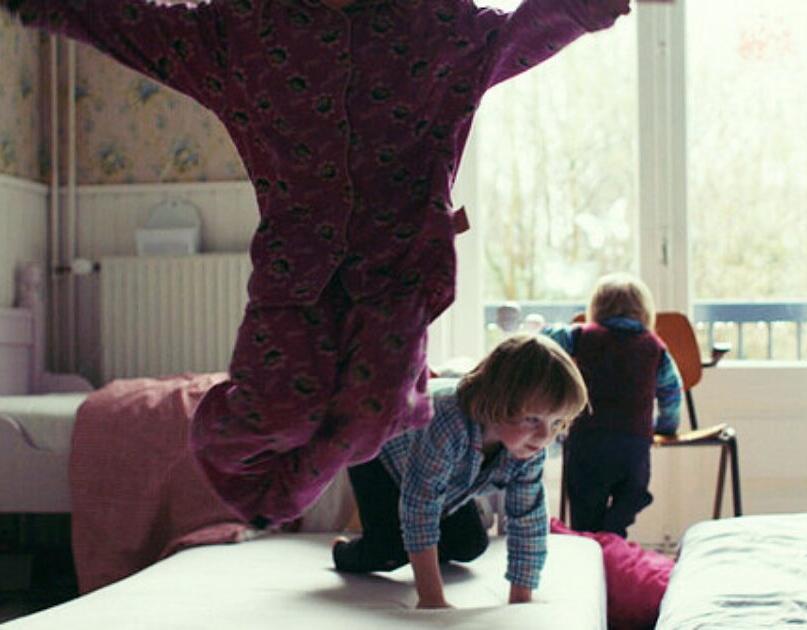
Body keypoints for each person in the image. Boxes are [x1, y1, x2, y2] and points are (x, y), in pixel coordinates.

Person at [0, 0, 632, 528]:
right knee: (281, 413)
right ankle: (267, 499)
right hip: (295, 276)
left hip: (399, 278)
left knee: (374, 418)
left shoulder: (440, 27)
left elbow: (531, 26)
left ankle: (304, 485)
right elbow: (134, 26)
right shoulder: (245, 32)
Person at [332, 333, 588, 608]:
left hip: (441, 478)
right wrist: (432, 598)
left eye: (557, 422)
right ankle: (342, 551)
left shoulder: (529, 446)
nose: (545, 436)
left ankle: (425, 549)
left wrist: (520, 600)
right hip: (378, 456)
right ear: (498, 401)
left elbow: (528, 519)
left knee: (471, 545)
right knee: (389, 549)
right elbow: (420, 508)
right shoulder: (445, 421)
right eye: (533, 419)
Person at [542, 272, 682, 537]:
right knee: (632, 492)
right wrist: (666, 425)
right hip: (634, 443)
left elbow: (544, 340)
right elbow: (671, 391)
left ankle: (592, 547)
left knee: (585, 509)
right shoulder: (655, 347)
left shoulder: (582, 336)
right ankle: (615, 529)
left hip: (587, 441)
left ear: (596, 307)